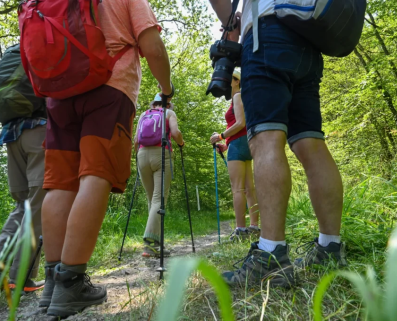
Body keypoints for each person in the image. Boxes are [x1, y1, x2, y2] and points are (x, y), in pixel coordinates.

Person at [39, 0, 174, 317]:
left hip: (59, 94)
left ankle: (52, 283)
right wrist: (166, 88)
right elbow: (152, 47)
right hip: (109, 87)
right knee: (95, 175)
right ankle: (70, 281)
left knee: (60, 183)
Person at [209, 0, 347, 288]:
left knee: (266, 139)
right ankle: (330, 249)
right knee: (311, 141)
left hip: (266, 33)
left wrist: (230, 22)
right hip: (308, 36)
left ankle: (270, 254)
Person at [0, 115, 47, 293]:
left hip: (12, 135)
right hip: (40, 133)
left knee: (24, 205)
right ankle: (19, 278)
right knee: (37, 207)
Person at [209, 70, 259, 242]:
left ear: (236, 81)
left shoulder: (237, 96)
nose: (223, 82)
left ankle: (240, 230)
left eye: (227, 79)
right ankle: (254, 227)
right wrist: (226, 144)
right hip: (243, 143)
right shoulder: (242, 97)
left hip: (238, 145)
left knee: (237, 188)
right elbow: (241, 126)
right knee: (249, 188)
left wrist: (220, 136)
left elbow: (240, 123)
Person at [134, 94, 185, 257]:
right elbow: (176, 133)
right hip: (161, 154)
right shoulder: (169, 113)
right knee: (159, 200)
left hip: (142, 156)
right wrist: (182, 143)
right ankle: (149, 244)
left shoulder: (144, 114)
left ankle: (157, 243)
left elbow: (136, 140)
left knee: (152, 200)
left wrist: (139, 156)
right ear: (168, 103)